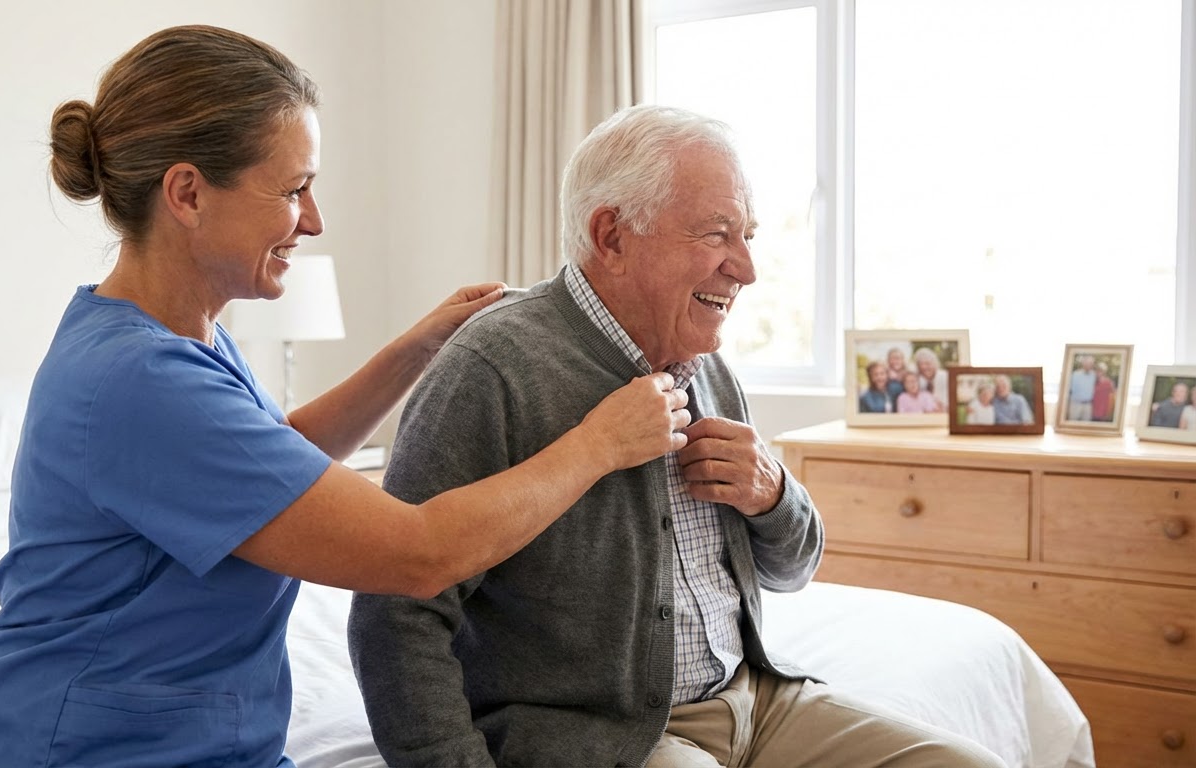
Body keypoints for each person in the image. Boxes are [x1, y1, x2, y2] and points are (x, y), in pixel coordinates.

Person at [0, 26, 691, 768]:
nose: (315, 219)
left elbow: (276, 463)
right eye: (293, 189)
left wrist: (414, 349)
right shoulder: (141, 380)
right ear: (188, 193)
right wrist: (599, 444)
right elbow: (420, 555)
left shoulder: (182, 338)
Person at [347, 105, 1005, 768]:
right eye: (717, 234)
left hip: (757, 700)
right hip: (600, 735)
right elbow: (394, 610)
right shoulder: (492, 366)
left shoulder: (708, 367)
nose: (746, 268)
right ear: (612, 236)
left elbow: (795, 569)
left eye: (747, 236)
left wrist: (772, 494)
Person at [1067, 355, 1097, 422]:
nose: (1089, 365)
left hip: (1088, 405)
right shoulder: (1075, 374)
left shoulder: (1093, 375)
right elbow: (1069, 389)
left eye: (1091, 363)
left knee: (1086, 425)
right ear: (1083, 364)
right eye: (1087, 363)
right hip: (1076, 404)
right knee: (1072, 423)